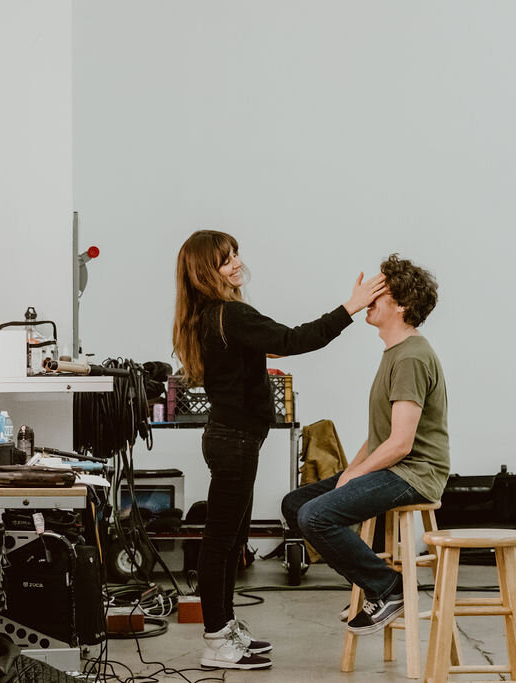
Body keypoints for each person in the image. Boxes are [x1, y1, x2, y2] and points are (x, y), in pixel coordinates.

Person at [172, 230, 386, 670]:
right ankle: (216, 640)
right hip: (233, 443)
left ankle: (225, 628)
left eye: (235, 255)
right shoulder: (230, 314)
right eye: (225, 260)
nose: (236, 263)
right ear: (205, 271)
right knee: (220, 543)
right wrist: (351, 306)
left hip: (233, 441)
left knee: (231, 541)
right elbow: (294, 340)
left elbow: (277, 345)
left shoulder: (212, 315)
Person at [281, 254, 448, 636]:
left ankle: (388, 588)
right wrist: (351, 472)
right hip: (394, 467)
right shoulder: (395, 353)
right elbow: (379, 437)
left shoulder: (411, 357)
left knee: (315, 516)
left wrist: (354, 475)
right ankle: (369, 582)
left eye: (378, 292)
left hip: (415, 474)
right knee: (295, 504)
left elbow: (401, 444)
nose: (368, 299)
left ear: (401, 305)